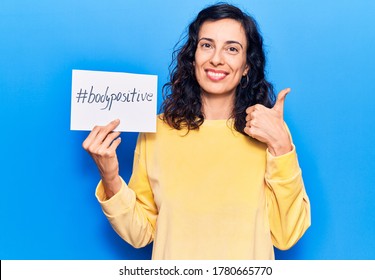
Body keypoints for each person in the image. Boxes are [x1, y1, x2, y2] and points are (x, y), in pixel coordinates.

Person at [82, 3, 310, 260]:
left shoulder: (270, 132)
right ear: (193, 58)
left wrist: (281, 145)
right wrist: (110, 176)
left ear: (247, 65)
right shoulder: (158, 129)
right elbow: (140, 233)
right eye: (207, 45)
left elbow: (287, 235)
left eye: (232, 49)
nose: (216, 58)